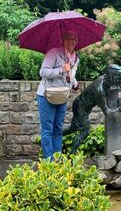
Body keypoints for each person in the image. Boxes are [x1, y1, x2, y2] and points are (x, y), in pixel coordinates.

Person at [36, 31, 80, 160]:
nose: (70, 41)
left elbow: (71, 76)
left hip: (62, 95)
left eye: (73, 39)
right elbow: (43, 71)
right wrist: (61, 70)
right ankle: (48, 162)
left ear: (76, 41)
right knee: (47, 130)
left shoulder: (75, 58)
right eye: (67, 39)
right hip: (47, 95)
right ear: (63, 40)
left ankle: (57, 159)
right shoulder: (54, 52)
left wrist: (75, 84)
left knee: (58, 129)